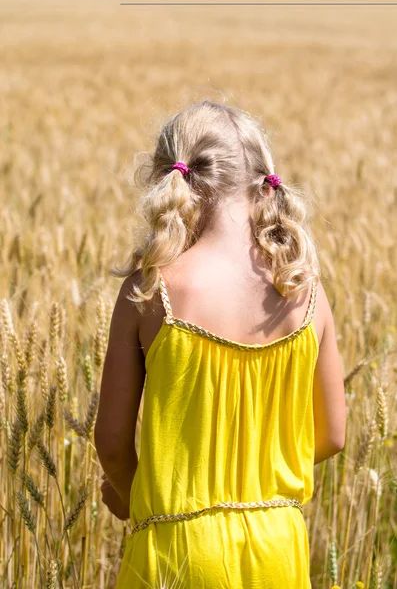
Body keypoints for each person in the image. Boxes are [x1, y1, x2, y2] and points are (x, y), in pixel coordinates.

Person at [94, 99, 346, 588]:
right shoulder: (305, 291)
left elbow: (111, 442)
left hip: (179, 547)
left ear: (173, 179)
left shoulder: (153, 290)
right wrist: (258, 471)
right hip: (279, 544)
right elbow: (333, 434)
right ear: (262, 180)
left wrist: (133, 496)